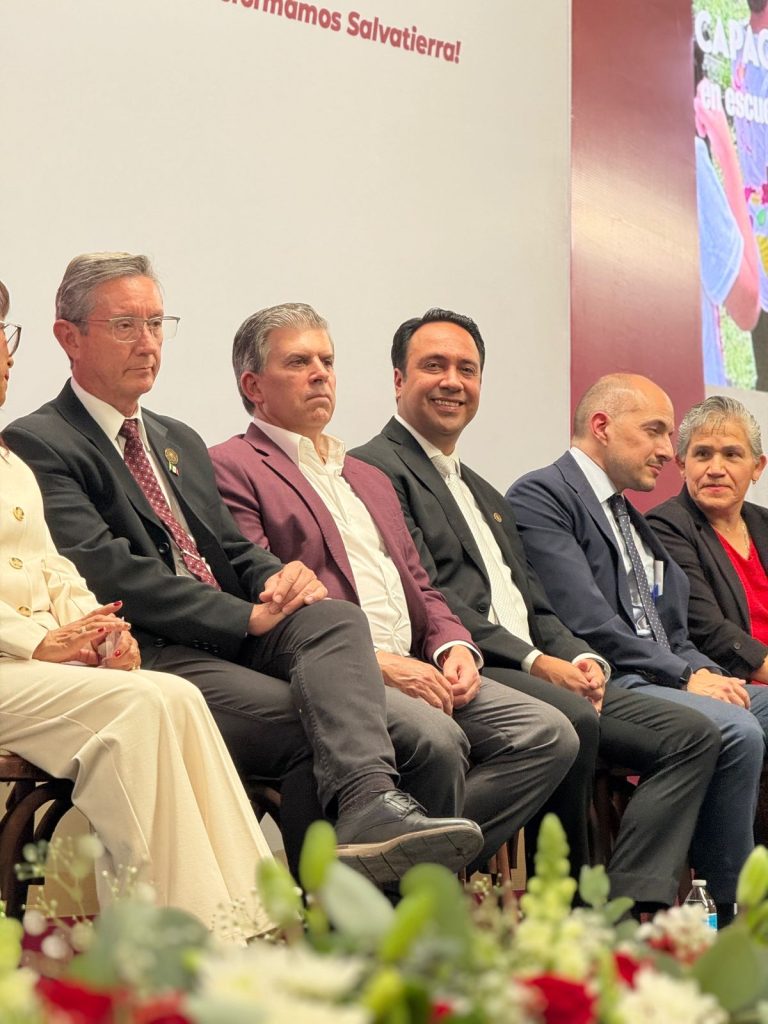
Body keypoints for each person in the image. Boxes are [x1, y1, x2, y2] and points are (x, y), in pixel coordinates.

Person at [4, 253, 483, 886]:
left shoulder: (175, 438)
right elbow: (109, 573)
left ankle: (375, 823)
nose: (148, 343)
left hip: (230, 641)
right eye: (125, 326)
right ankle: (336, 909)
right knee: (334, 729)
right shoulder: (41, 440)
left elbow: (229, 548)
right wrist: (244, 617)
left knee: (334, 616)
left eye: (156, 323)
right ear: (69, 337)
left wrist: (280, 578)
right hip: (153, 648)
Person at [352, 308, 720, 909]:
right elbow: (428, 596)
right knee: (570, 716)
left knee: (694, 734)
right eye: (434, 366)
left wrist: (580, 658)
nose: (453, 381)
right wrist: (535, 662)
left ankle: (631, 907)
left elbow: (534, 604)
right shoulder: (373, 470)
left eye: (467, 369)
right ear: (399, 380)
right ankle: (564, 905)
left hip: (535, 664)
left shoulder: (484, 489)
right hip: (467, 664)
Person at [209, 303, 579, 871]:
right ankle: (409, 881)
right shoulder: (232, 465)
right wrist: (378, 663)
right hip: (343, 674)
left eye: (327, 361)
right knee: (436, 739)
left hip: (421, 664)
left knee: (547, 733)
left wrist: (453, 647)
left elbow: (422, 586)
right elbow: (268, 595)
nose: (321, 374)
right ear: (253, 385)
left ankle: (387, 863)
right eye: (300, 362)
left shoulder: (367, 476)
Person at [0, 279, 274, 939]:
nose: (4, 356)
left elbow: (52, 566)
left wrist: (99, 630)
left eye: (3, 338)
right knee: (140, 707)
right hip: (12, 662)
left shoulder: (9, 463)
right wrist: (36, 642)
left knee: (175, 695)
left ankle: (248, 926)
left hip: (34, 668)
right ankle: (176, 946)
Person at [506, 372, 768, 925]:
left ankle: (732, 900)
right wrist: (686, 677)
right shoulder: (544, 494)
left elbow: (672, 631)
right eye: (655, 431)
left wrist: (704, 672)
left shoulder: (626, 515)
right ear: (602, 426)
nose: (667, 451)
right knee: (736, 728)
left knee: (752, 707)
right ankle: (725, 915)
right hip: (606, 681)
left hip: (660, 676)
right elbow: (588, 622)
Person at [648, 395, 768, 681]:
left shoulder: (764, 523)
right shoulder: (665, 526)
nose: (715, 469)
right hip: (731, 683)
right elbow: (707, 631)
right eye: (702, 454)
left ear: (757, 467)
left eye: (731, 454)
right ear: (681, 465)